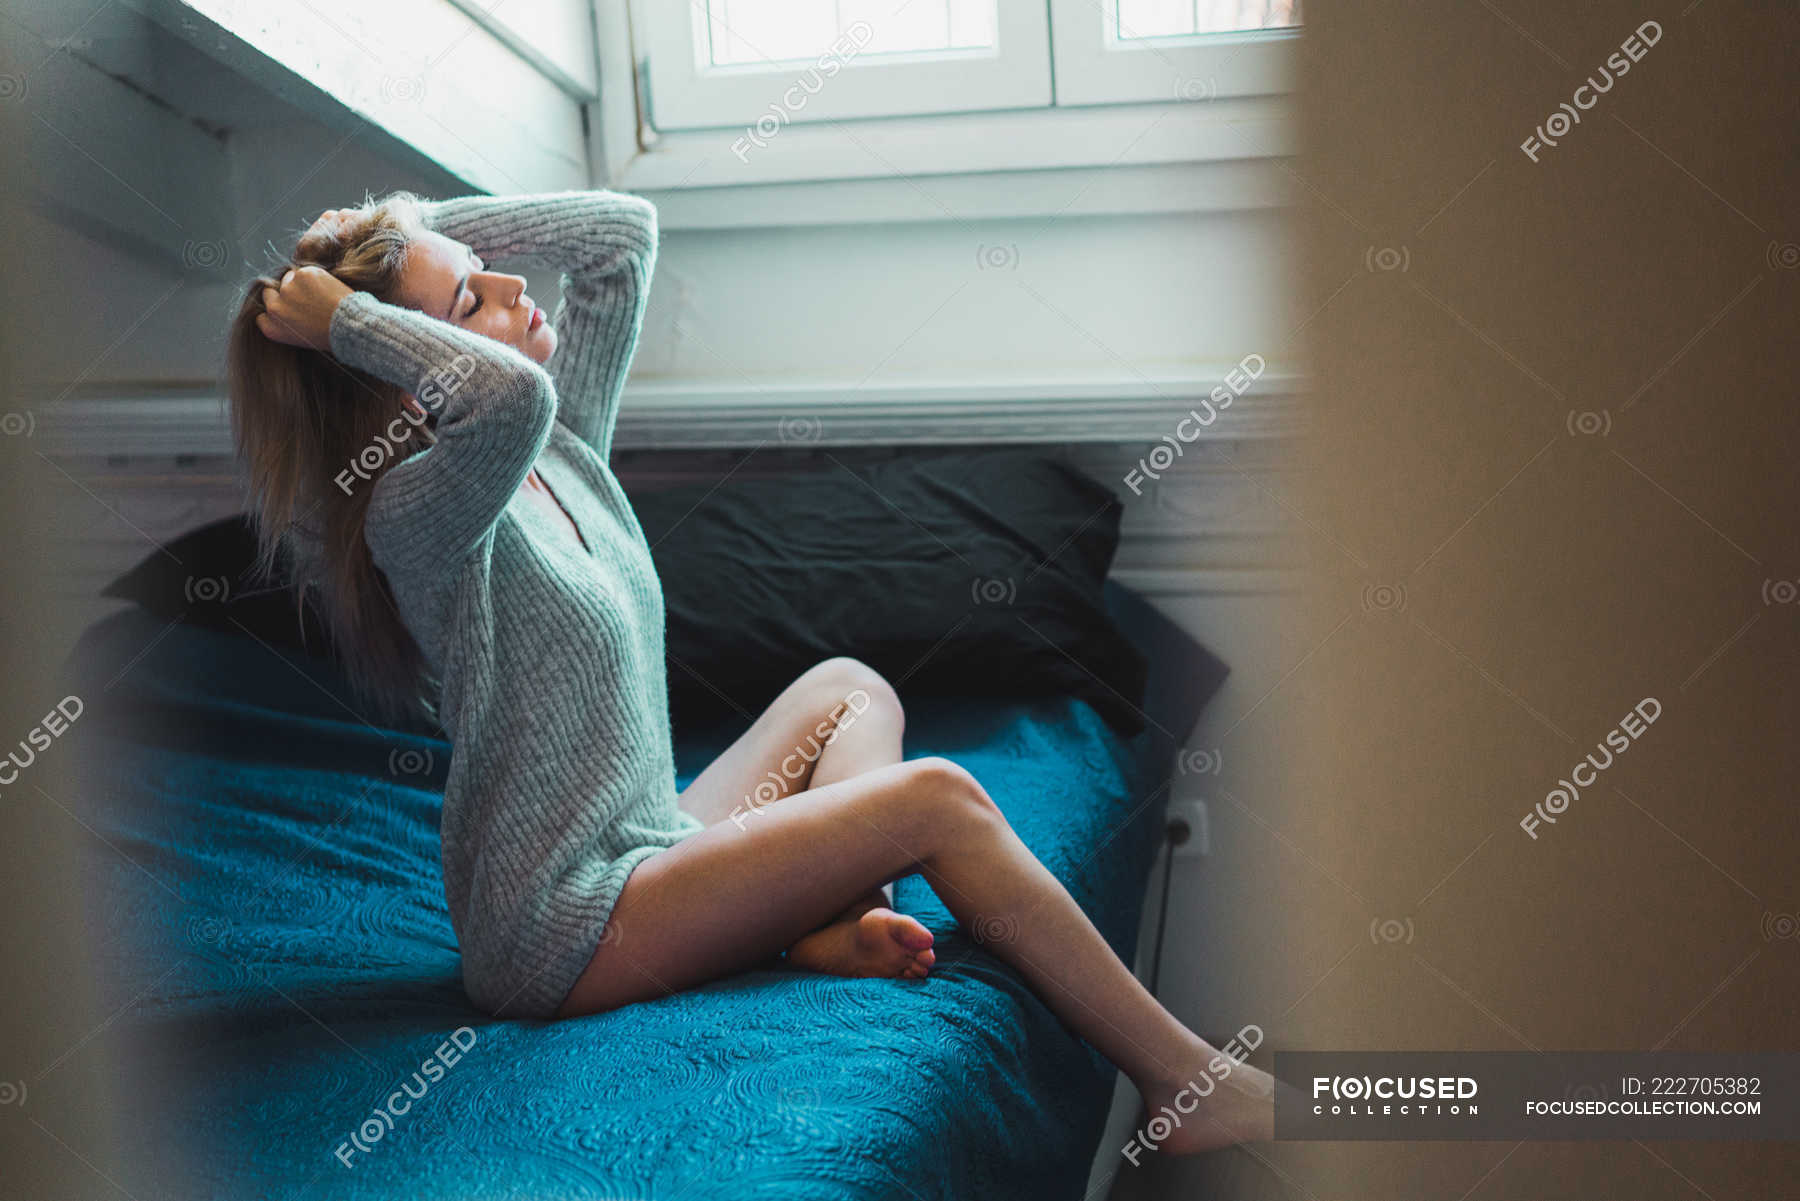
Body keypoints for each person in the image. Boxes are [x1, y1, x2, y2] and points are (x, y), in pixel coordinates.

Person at [230, 189, 1274, 1152]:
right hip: (561, 929)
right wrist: (350, 322)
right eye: (471, 298)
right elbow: (501, 399)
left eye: (491, 272)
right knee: (940, 800)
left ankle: (822, 917)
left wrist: (402, 232)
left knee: (850, 686)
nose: (514, 289)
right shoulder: (417, 511)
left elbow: (621, 240)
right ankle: (1188, 1081)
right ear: (406, 379)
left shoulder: (561, 457)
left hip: (645, 849)